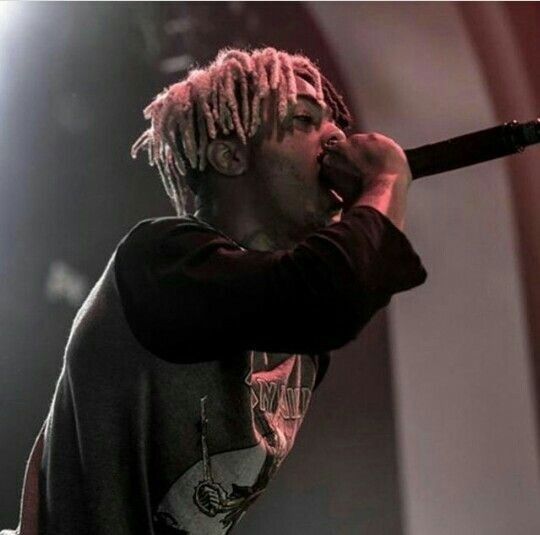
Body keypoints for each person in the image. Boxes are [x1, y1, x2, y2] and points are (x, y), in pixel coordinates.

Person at [2, 47, 427, 535]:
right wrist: (386, 179)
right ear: (229, 154)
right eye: (305, 119)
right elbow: (334, 291)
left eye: (334, 123)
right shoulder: (161, 262)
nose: (336, 138)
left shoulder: (300, 346)